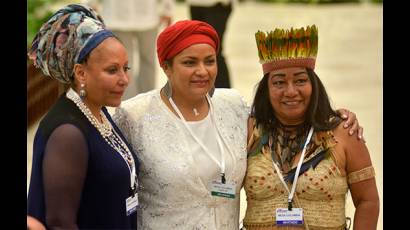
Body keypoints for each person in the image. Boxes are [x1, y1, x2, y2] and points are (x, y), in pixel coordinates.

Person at [113, 20, 362, 229]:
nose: (202, 71)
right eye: (190, 63)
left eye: (209, 61)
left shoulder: (232, 106)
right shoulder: (135, 115)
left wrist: (335, 116)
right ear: (166, 67)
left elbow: (286, 112)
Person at [242, 25, 379, 229]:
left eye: (300, 80)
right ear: (266, 89)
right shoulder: (249, 129)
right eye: (279, 83)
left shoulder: (344, 133)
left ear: (314, 85)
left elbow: (368, 201)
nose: (290, 91)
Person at [27, 4, 139, 229]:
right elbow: (60, 222)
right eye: (112, 70)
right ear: (80, 73)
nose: (124, 79)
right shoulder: (68, 134)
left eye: (125, 68)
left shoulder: (96, 109)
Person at [84, 0, 174, 99]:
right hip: (117, 16)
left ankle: (148, 100)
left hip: (145, 15)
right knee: (124, 63)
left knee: (146, 61)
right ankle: (129, 103)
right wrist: (89, 5)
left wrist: (167, 8)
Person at [186, 0, 234, 88]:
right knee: (200, 48)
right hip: (195, 4)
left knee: (214, 50)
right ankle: (204, 90)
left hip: (217, 5)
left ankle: (224, 92)